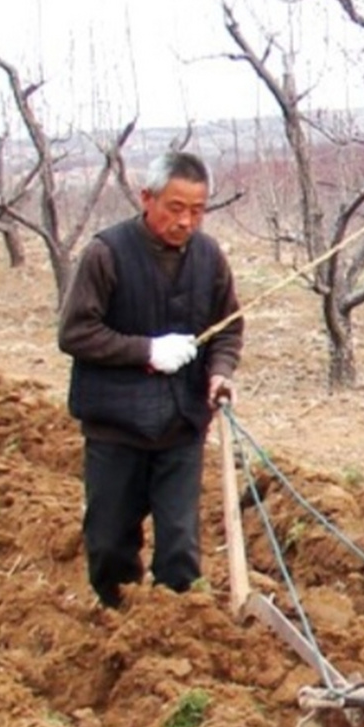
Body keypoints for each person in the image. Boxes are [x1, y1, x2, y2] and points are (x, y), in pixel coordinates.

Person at [58, 150, 244, 608]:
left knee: (180, 548)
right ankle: (118, 620)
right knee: (109, 545)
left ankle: (176, 625)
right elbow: (75, 332)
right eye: (175, 208)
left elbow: (229, 327)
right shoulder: (107, 253)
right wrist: (147, 351)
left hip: (182, 425)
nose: (186, 222)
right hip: (116, 427)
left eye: (197, 211)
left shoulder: (209, 257)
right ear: (147, 198)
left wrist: (219, 374)